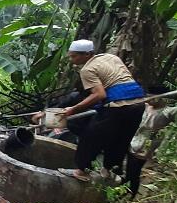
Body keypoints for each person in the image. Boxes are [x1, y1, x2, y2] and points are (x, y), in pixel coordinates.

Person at [58, 39, 146, 182]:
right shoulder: (111, 57)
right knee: (121, 139)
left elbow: (99, 95)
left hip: (118, 105)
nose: (71, 59)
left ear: (87, 54)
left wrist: (73, 109)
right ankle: (108, 170)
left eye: (74, 56)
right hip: (138, 104)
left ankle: (81, 171)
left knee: (90, 137)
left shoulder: (87, 70)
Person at [125, 88, 177, 196]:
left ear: (161, 98)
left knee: (135, 172)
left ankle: (131, 194)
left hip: (147, 146)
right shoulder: (145, 106)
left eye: (151, 97)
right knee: (129, 170)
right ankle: (125, 191)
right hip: (134, 141)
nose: (148, 99)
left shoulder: (168, 112)